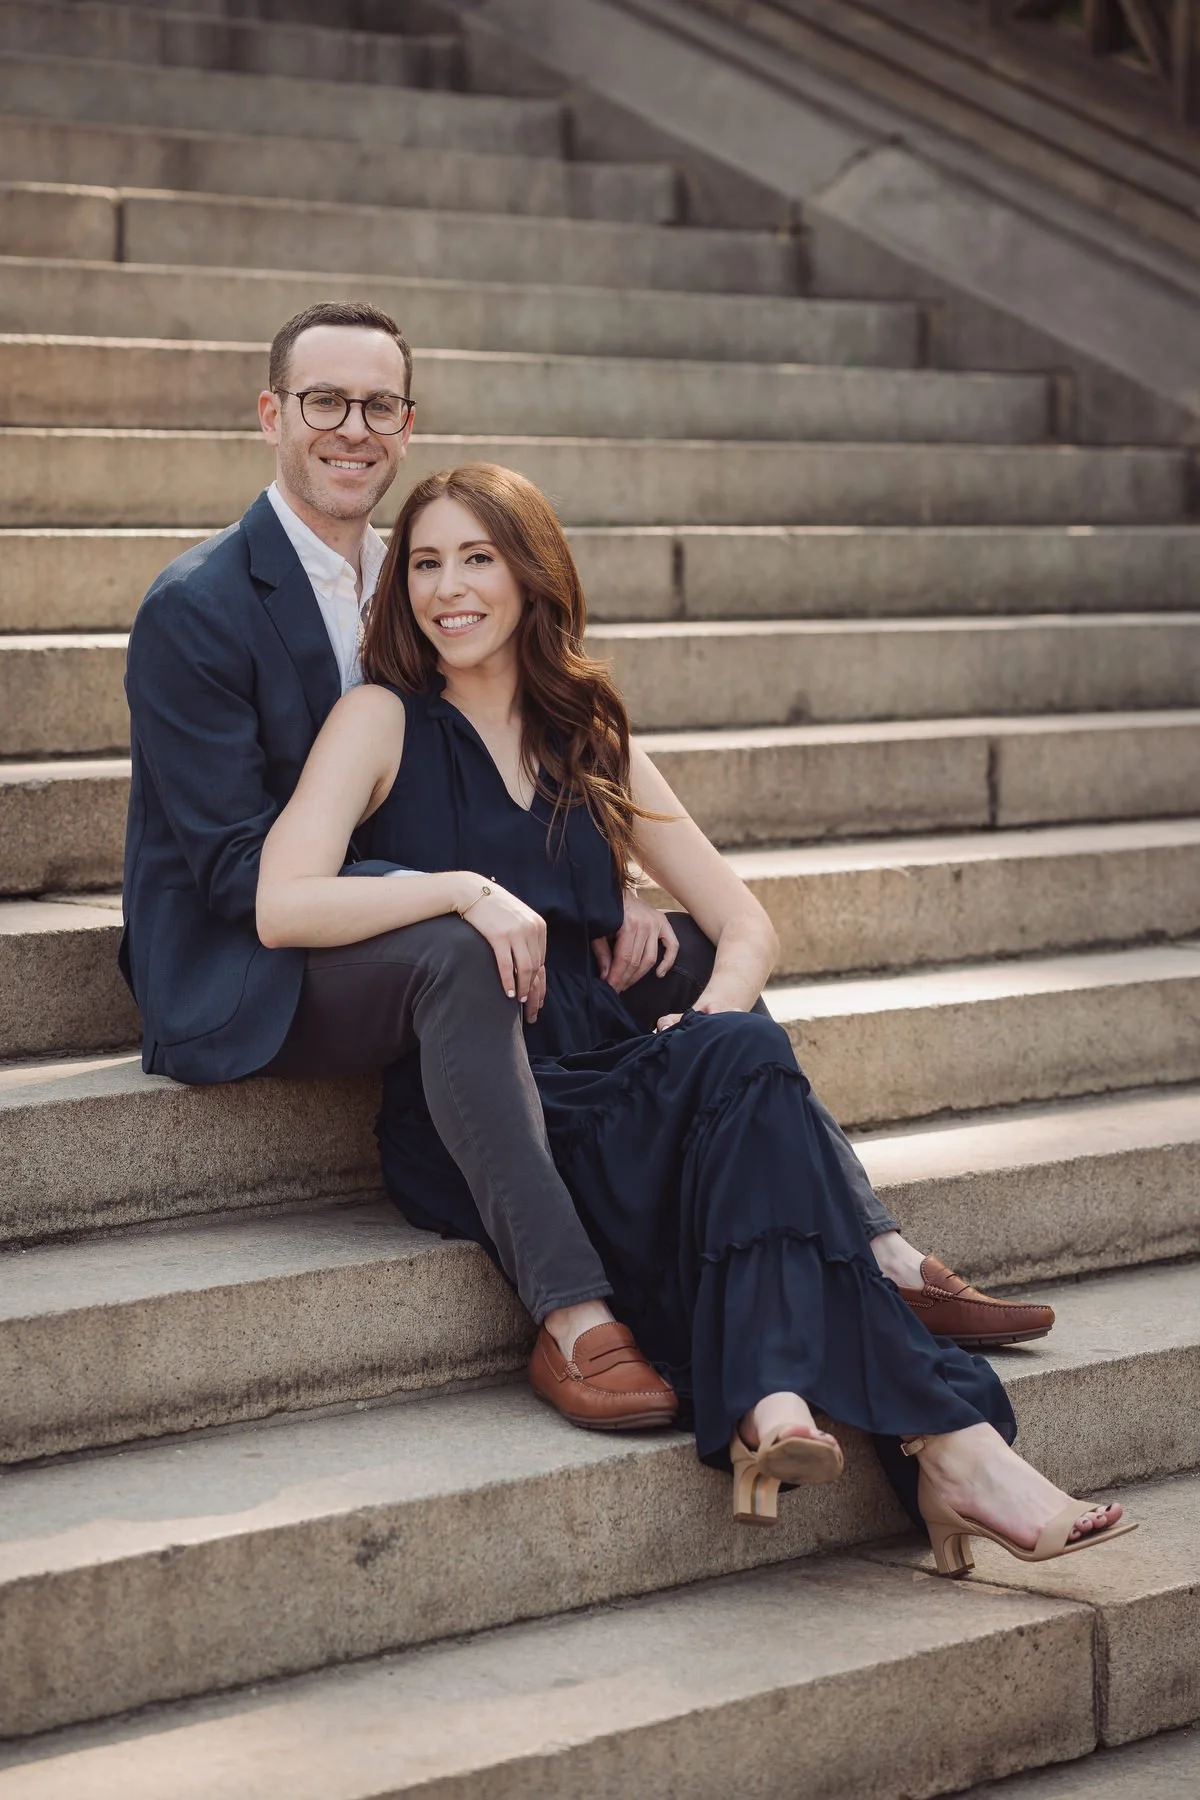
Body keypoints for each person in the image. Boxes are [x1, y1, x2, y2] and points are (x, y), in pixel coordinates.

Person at [256, 462, 1133, 1572]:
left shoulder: (589, 734)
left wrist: (707, 1019)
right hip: (488, 1109)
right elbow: (283, 904)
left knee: (738, 1039)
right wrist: (461, 891)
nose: (448, 588)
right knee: (751, 1094)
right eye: (425, 563)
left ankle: (815, 1413)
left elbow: (744, 922)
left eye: (478, 558)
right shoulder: (379, 720)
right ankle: (938, 1432)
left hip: (618, 1080)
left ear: (532, 576)